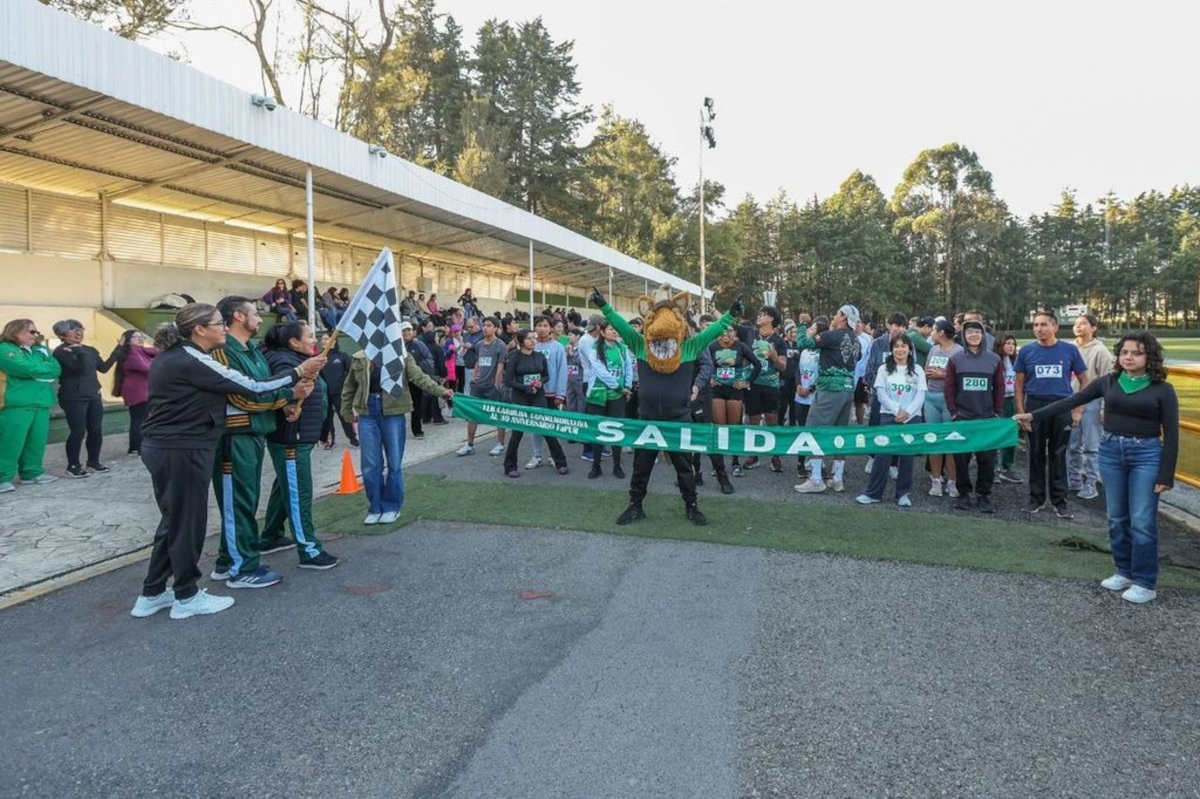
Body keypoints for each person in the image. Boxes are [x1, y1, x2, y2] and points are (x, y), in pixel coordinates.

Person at [130, 303, 324, 620]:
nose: (223, 328)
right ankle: (186, 595)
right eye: (218, 323)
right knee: (187, 524)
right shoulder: (191, 359)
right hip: (182, 447)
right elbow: (251, 386)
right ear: (199, 330)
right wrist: (298, 373)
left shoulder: (181, 357)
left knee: (174, 522)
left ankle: (152, 592)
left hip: (172, 446)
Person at [1014, 332, 1177, 604]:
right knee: (1116, 517)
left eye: (1136, 353)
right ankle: (1123, 571)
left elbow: (1171, 433)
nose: (1128, 357)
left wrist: (1166, 474)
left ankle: (1145, 582)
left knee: (1142, 521)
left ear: (1150, 357)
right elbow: (1069, 401)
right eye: (1124, 352)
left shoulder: (1162, 389)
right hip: (1111, 452)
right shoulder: (1109, 382)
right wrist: (1032, 414)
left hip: (1146, 455)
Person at [591, 285, 740, 527]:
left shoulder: (689, 348)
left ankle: (692, 507)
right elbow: (620, 325)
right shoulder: (640, 345)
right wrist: (603, 305)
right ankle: (635, 506)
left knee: (684, 467)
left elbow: (712, 331)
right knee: (641, 466)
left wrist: (731, 314)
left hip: (678, 420)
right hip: (648, 420)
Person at [209, 297, 309, 589]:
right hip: (235, 435)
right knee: (237, 501)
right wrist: (288, 396)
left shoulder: (251, 350)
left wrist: (286, 404)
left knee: (245, 500)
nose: (259, 316)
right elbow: (241, 396)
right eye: (254, 312)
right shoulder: (224, 351)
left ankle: (229, 559)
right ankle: (243, 568)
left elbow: (265, 388)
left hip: (254, 432)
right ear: (239, 316)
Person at [341, 332, 453, 524]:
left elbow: (419, 377)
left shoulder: (401, 355)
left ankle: (392, 506)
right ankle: (375, 507)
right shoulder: (360, 356)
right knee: (370, 464)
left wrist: (442, 392)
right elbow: (349, 386)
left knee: (394, 462)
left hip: (393, 412)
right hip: (367, 412)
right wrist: (346, 410)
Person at [260, 321, 339, 569]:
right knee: (298, 492)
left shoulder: (298, 359)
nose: (314, 340)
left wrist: (322, 430)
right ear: (294, 342)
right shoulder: (286, 362)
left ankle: (270, 535)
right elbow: (285, 391)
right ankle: (309, 549)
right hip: (290, 437)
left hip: (301, 435)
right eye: (309, 336)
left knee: (284, 486)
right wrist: (291, 400)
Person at [1014, 311, 1089, 518]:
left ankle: (1060, 501)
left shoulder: (1069, 350)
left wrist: (1077, 409)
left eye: (1044, 325)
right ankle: (1036, 499)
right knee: (1036, 455)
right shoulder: (1027, 351)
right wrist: (1022, 413)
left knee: (1058, 454)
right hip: (1035, 408)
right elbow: (1019, 385)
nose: (1039, 329)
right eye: (1036, 325)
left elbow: (1085, 381)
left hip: (1061, 406)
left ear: (1055, 327)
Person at [793, 305, 863, 494]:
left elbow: (802, 343)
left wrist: (802, 324)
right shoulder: (857, 340)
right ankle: (837, 479)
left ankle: (816, 479)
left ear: (843, 317)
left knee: (815, 431)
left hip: (829, 390)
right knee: (840, 434)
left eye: (837, 313)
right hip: (848, 390)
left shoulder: (833, 335)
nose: (833, 316)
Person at [855, 334, 926, 507]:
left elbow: (921, 394)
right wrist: (896, 410)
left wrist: (907, 412)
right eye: (896, 346)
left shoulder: (917, 369)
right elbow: (881, 394)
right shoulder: (884, 369)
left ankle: (903, 493)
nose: (900, 349)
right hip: (888, 415)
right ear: (892, 349)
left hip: (912, 418)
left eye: (904, 346)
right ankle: (873, 493)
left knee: (907, 457)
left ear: (910, 349)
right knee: (882, 455)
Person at [944, 319, 1006, 513]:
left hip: (986, 417)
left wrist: (997, 411)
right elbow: (949, 387)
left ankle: (983, 495)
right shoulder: (955, 360)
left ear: (983, 336)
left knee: (986, 458)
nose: (973, 335)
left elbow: (1000, 387)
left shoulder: (994, 359)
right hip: (962, 416)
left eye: (977, 332)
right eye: (969, 332)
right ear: (963, 335)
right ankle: (963, 494)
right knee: (961, 458)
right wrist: (953, 412)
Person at [0, 319, 61, 493]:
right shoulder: (4, 349)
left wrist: (35, 371)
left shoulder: (40, 350)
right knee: (10, 442)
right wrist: (40, 370)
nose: (35, 335)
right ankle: (2, 477)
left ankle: (31, 472)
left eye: (36, 332)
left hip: (41, 401)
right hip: (15, 404)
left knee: (36, 441)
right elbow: (22, 369)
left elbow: (56, 369)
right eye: (30, 332)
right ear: (15, 332)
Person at [52, 319, 116, 477]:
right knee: (78, 431)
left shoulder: (90, 350)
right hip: (73, 396)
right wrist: (78, 352)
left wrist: (119, 350)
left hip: (93, 395)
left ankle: (93, 462)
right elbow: (78, 369)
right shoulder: (60, 351)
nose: (78, 332)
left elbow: (103, 368)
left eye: (80, 329)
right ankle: (73, 466)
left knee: (96, 430)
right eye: (73, 330)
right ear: (62, 335)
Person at [502, 329, 570, 478]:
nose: (533, 341)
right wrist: (525, 388)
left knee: (546, 427)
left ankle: (561, 462)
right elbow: (508, 381)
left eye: (534, 338)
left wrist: (540, 382)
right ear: (521, 341)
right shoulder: (514, 358)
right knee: (517, 432)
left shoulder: (539, 356)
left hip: (538, 395)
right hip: (520, 397)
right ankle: (510, 466)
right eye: (529, 339)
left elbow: (546, 375)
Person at [708, 325, 760, 491]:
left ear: (735, 334)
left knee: (734, 428)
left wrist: (747, 382)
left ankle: (735, 462)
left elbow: (757, 364)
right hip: (717, 390)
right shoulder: (712, 346)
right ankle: (719, 465)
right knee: (719, 429)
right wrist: (709, 378)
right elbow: (701, 364)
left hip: (735, 390)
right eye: (723, 332)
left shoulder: (741, 346)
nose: (726, 335)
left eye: (729, 332)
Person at [1070, 313, 1114, 499]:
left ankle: (1091, 483)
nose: (1078, 327)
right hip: (1070, 402)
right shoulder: (1069, 347)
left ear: (1094, 328)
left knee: (1091, 446)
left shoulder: (1100, 351)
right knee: (1071, 445)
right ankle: (1074, 479)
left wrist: (1104, 408)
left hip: (1091, 403)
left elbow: (1108, 381)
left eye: (1083, 324)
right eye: (1076, 324)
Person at [585, 322, 634, 479]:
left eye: (616, 329)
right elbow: (601, 372)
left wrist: (627, 386)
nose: (615, 332)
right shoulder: (594, 348)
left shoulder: (622, 348)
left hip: (617, 398)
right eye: (611, 329)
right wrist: (620, 387)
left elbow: (628, 369)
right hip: (598, 396)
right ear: (603, 332)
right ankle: (596, 466)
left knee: (616, 431)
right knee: (598, 431)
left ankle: (617, 466)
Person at [743, 306, 789, 473]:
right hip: (752, 384)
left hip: (770, 385)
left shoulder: (779, 341)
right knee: (753, 418)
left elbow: (783, 366)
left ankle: (775, 456)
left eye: (762, 315)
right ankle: (754, 456)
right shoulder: (750, 334)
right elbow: (731, 325)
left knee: (771, 419)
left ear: (770, 319)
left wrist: (774, 358)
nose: (758, 316)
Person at [456, 317, 510, 457]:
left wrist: (497, 384)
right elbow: (478, 362)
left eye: (489, 325)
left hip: (492, 386)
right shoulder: (479, 344)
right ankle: (469, 444)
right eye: (484, 325)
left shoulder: (500, 345)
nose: (486, 328)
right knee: (472, 415)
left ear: (496, 328)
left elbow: (500, 366)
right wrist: (474, 377)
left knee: (498, 415)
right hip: (477, 385)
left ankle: (500, 444)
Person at [922, 319, 962, 498]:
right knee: (934, 440)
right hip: (930, 397)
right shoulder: (933, 349)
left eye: (934, 331)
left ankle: (952, 482)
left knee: (950, 441)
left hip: (949, 400)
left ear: (942, 333)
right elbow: (926, 368)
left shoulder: (958, 351)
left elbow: (960, 376)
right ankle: (936, 480)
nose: (931, 333)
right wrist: (930, 372)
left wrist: (942, 374)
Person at [526, 316, 567, 469]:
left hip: (551, 393)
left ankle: (553, 456)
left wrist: (560, 394)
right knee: (535, 425)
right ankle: (537, 455)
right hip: (533, 393)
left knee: (551, 426)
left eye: (545, 325)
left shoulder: (557, 347)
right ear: (535, 328)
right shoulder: (531, 346)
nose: (542, 328)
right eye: (539, 325)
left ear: (550, 328)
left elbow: (563, 371)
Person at [109, 329, 158, 455]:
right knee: (140, 419)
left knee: (139, 418)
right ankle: (140, 447)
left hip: (141, 390)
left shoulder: (141, 351)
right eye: (135, 337)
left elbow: (156, 352)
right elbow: (147, 368)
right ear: (128, 341)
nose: (140, 339)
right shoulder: (131, 353)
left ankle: (135, 446)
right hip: (137, 391)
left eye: (141, 337)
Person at [318, 334, 358, 448]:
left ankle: (353, 438)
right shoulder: (319, 357)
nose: (323, 341)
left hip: (339, 392)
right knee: (327, 418)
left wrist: (343, 384)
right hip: (325, 394)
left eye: (326, 339)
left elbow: (351, 372)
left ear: (334, 340)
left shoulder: (342, 356)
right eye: (322, 339)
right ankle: (329, 440)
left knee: (344, 415)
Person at [994, 334, 1022, 483]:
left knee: (1012, 433)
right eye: (1007, 343)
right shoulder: (995, 361)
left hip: (1013, 400)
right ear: (1000, 345)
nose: (1011, 346)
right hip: (998, 401)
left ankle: (1007, 467)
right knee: (995, 434)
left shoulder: (1016, 361)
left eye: (1013, 343)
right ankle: (993, 468)